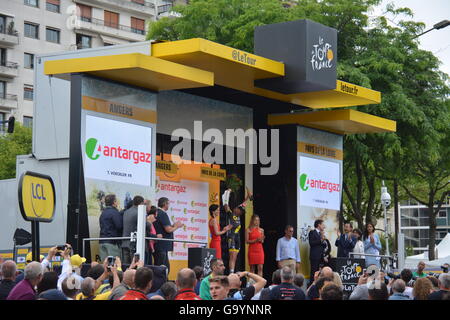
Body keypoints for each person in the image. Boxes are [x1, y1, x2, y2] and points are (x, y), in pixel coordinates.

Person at [223, 187, 252, 274]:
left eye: (241, 212)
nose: (241, 212)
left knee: (235, 257)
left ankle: (232, 272)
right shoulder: (230, 213)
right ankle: (231, 273)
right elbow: (225, 204)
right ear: (236, 209)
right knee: (232, 256)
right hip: (231, 237)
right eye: (240, 210)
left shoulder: (238, 215)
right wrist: (227, 193)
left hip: (237, 238)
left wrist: (248, 196)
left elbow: (244, 203)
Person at [153, 197, 184, 273]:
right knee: (163, 267)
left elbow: (165, 227)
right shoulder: (162, 213)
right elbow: (168, 229)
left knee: (161, 266)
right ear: (164, 204)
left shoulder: (157, 212)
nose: (169, 205)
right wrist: (177, 226)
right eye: (168, 203)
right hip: (162, 245)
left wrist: (173, 225)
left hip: (158, 245)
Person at [99, 194, 123, 261]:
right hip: (112, 242)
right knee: (114, 263)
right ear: (114, 202)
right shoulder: (114, 212)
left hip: (102, 241)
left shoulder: (103, 213)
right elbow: (119, 226)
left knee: (104, 264)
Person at [122, 195, 145, 264]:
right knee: (135, 265)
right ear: (141, 203)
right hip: (133, 243)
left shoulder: (126, 212)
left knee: (126, 266)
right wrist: (149, 222)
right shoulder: (139, 212)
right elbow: (144, 225)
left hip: (124, 241)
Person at [309, 219, 327, 286]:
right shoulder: (312, 232)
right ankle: (311, 287)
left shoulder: (321, 234)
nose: (324, 226)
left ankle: (319, 287)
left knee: (320, 274)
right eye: (323, 225)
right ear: (319, 225)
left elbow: (324, 245)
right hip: (314, 256)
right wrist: (321, 240)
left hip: (321, 257)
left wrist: (324, 240)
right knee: (314, 273)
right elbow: (311, 243)